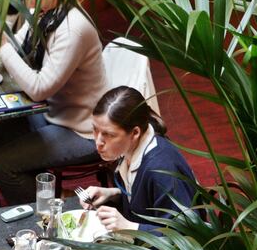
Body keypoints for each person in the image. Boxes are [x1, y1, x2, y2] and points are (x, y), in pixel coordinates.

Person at [0, 0, 108, 205]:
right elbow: (16, 50)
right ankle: (52, 197)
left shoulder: (73, 28)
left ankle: (44, 219)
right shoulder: (43, 13)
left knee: (3, 165)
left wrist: (2, 45)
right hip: (53, 112)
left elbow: (38, 89)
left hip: (83, 128)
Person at [80, 86, 198, 232]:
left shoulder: (162, 169)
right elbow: (144, 200)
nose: (98, 142)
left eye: (108, 134)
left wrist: (130, 227)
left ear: (135, 132)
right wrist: (113, 194)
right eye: (95, 129)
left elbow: (185, 235)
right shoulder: (130, 148)